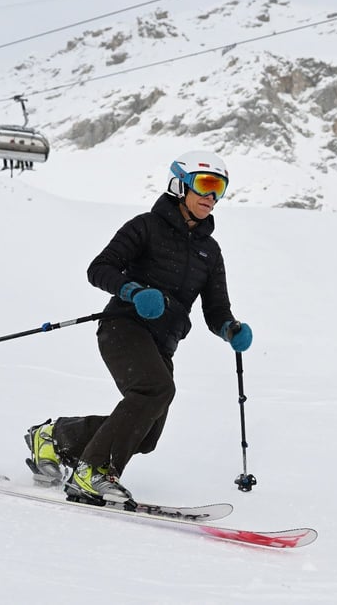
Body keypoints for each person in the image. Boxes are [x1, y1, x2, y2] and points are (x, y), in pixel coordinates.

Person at [24, 150, 252, 505]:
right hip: (123, 327)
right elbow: (100, 268)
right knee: (154, 390)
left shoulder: (210, 251)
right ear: (180, 185)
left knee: (146, 435)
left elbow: (216, 309)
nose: (212, 196)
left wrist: (229, 328)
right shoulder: (145, 227)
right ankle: (93, 471)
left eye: (219, 188)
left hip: (163, 343)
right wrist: (134, 291)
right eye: (205, 184)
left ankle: (55, 437)